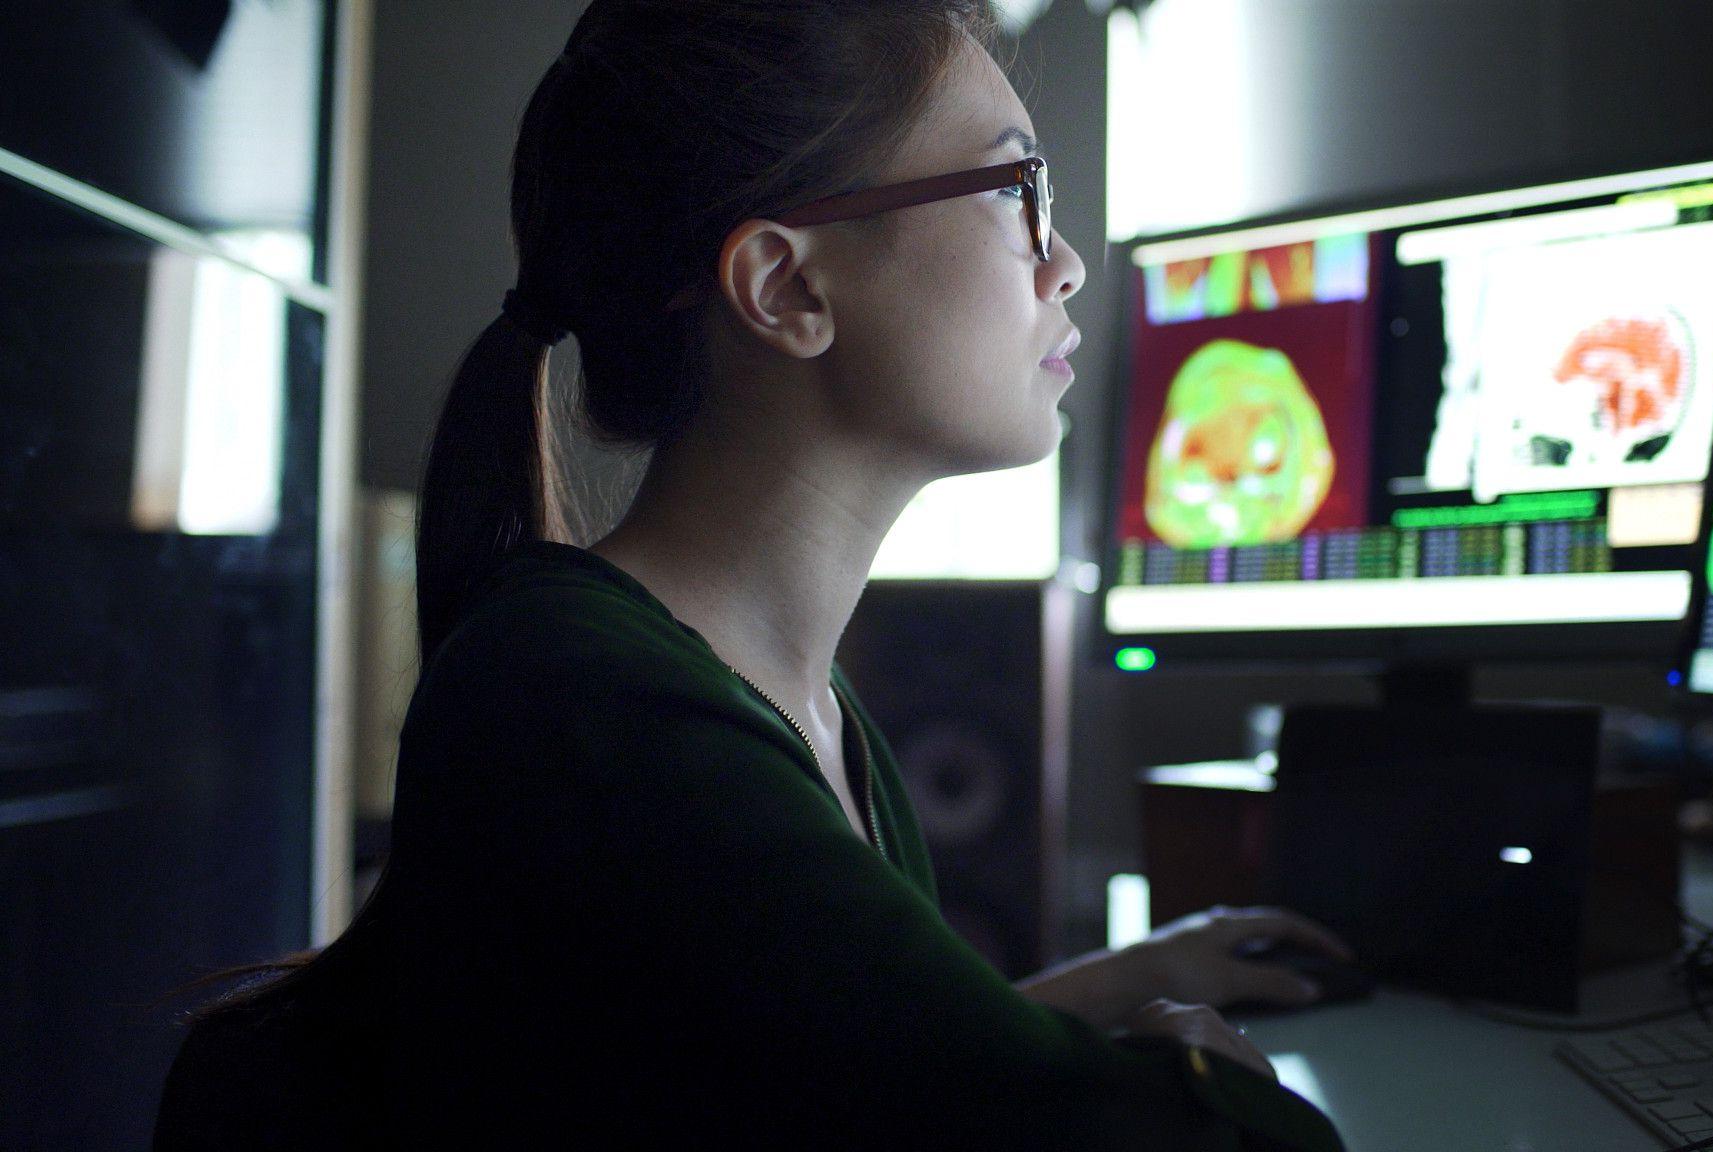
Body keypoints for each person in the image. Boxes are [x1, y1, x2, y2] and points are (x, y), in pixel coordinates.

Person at [154, 2, 1353, 1147]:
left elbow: (835, 1069)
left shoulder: (811, 719)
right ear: (785, 287)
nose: (1068, 263)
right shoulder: (590, 707)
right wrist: (1193, 1074)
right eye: (1014, 191)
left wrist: (1120, 983)